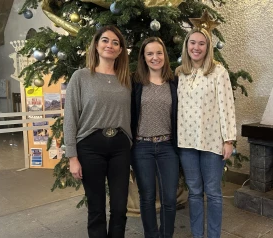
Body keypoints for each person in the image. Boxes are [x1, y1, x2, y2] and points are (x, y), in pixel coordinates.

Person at [64, 25, 132, 238]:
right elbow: (70, 118)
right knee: (96, 208)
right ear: (96, 45)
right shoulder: (81, 77)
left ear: (120, 50)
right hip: (90, 147)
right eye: (105, 40)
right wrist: (72, 157)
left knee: (120, 208)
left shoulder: (126, 79)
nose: (109, 45)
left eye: (115, 42)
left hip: (120, 148)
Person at [175, 27, 237, 238]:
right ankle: (197, 235)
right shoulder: (180, 73)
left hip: (212, 141)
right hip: (186, 142)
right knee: (193, 193)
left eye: (201, 43)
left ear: (208, 47)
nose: (196, 47)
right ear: (187, 45)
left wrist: (228, 139)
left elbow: (227, 106)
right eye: (192, 42)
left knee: (213, 193)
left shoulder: (218, 72)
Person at [130, 37, 179, 238]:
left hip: (168, 146)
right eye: (149, 53)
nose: (155, 57)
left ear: (164, 56)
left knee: (169, 198)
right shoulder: (135, 82)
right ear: (143, 57)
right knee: (147, 197)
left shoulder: (174, 82)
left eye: (159, 53)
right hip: (142, 147)